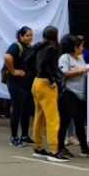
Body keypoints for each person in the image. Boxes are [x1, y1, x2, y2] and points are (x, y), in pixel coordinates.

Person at [57, 35, 89, 159]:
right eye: (81, 46)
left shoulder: (80, 57)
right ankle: (60, 147)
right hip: (69, 93)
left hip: (81, 95)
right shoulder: (65, 58)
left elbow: (86, 68)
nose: (83, 48)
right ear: (74, 47)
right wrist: (82, 71)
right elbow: (64, 73)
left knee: (80, 123)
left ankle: (84, 148)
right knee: (64, 122)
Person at [31, 26, 67, 162]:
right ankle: (54, 150)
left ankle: (38, 147)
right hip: (46, 84)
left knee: (39, 116)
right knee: (53, 118)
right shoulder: (52, 48)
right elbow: (46, 66)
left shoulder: (39, 46)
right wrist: (53, 80)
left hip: (36, 82)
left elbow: (33, 63)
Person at [4, 26, 34, 147]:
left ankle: (25, 136)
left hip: (26, 84)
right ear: (20, 36)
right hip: (16, 83)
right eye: (27, 35)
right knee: (17, 109)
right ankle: (14, 137)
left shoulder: (29, 47)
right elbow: (7, 57)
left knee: (26, 110)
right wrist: (13, 71)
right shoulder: (16, 46)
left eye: (31, 35)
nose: (30, 37)